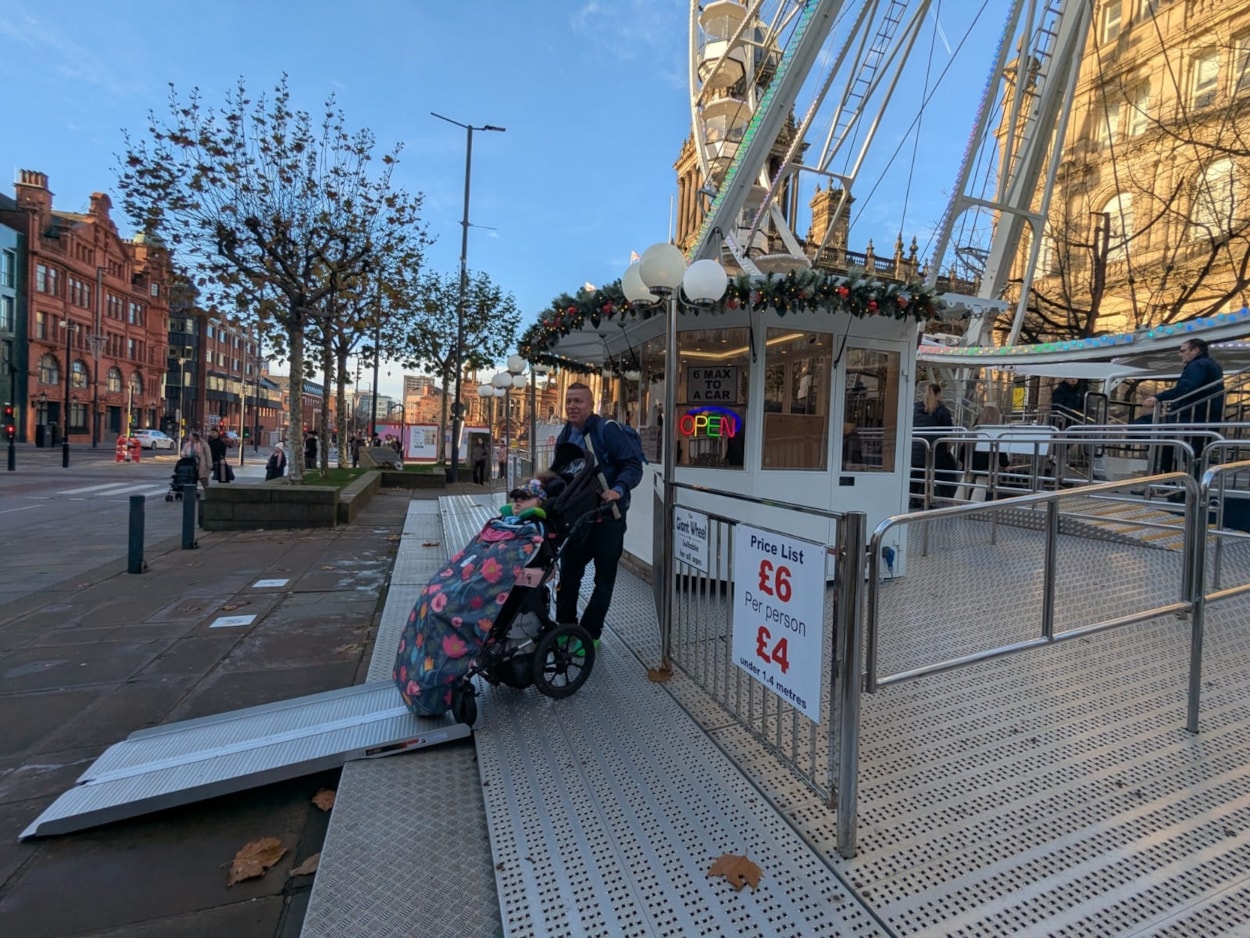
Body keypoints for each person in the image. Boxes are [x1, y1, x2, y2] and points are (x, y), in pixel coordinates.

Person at [552, 382, 644, 646]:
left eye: (578, 401)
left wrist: (619, 488)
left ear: (591, 405)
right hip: (578, 519)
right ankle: (565, 630)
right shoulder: (566, 433)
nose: (572, 406)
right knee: (569, 576)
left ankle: (590, 634)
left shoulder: (607, 430)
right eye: (569, 401)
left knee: (604, 580)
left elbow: (633, 465)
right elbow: (559, 472)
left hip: (608, 517)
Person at [1142, 337, 1225, 479]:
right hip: (1204, 417)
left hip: (1192, 417)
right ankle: (1184, 486)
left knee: (1163, 444)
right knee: (1194, 455)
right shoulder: (1211, 365)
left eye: (1183, 351)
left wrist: (1159, 397)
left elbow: (1186, 387)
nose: (1180, 354)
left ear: (1195, 350)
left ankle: (1164, 481)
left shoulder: (1198, 365)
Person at [911, 382, 957, 503]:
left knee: (918, 473)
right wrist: (948, 447)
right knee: (947, 470)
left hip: (916, 449)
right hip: (936, 450)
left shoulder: (916, 408)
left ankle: (915, 499)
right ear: (938, 394)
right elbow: (949, 431)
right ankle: (943, 498)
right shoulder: (942, 410)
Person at [962, 403, 1010, 501]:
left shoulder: (974, 428)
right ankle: (974, 508)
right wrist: (1005, 464)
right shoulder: (994, 432)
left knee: (965, 481)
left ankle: (957, 504)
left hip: (969, 460)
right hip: (985, 463)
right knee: (981, 484)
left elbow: (964, 447)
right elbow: (1000, 451)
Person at [182, 430, 212, 494]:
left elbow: (208, 454)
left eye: (191, 436)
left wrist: (209, 464)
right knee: (192, 478)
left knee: (203, 478)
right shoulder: (188, 444)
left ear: (195, 437)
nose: (189, 437)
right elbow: (183, 452)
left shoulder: (203, 444)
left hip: (201, 464)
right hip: (190, 464)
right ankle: (192, 491)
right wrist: (184, 455)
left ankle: (208, 491)